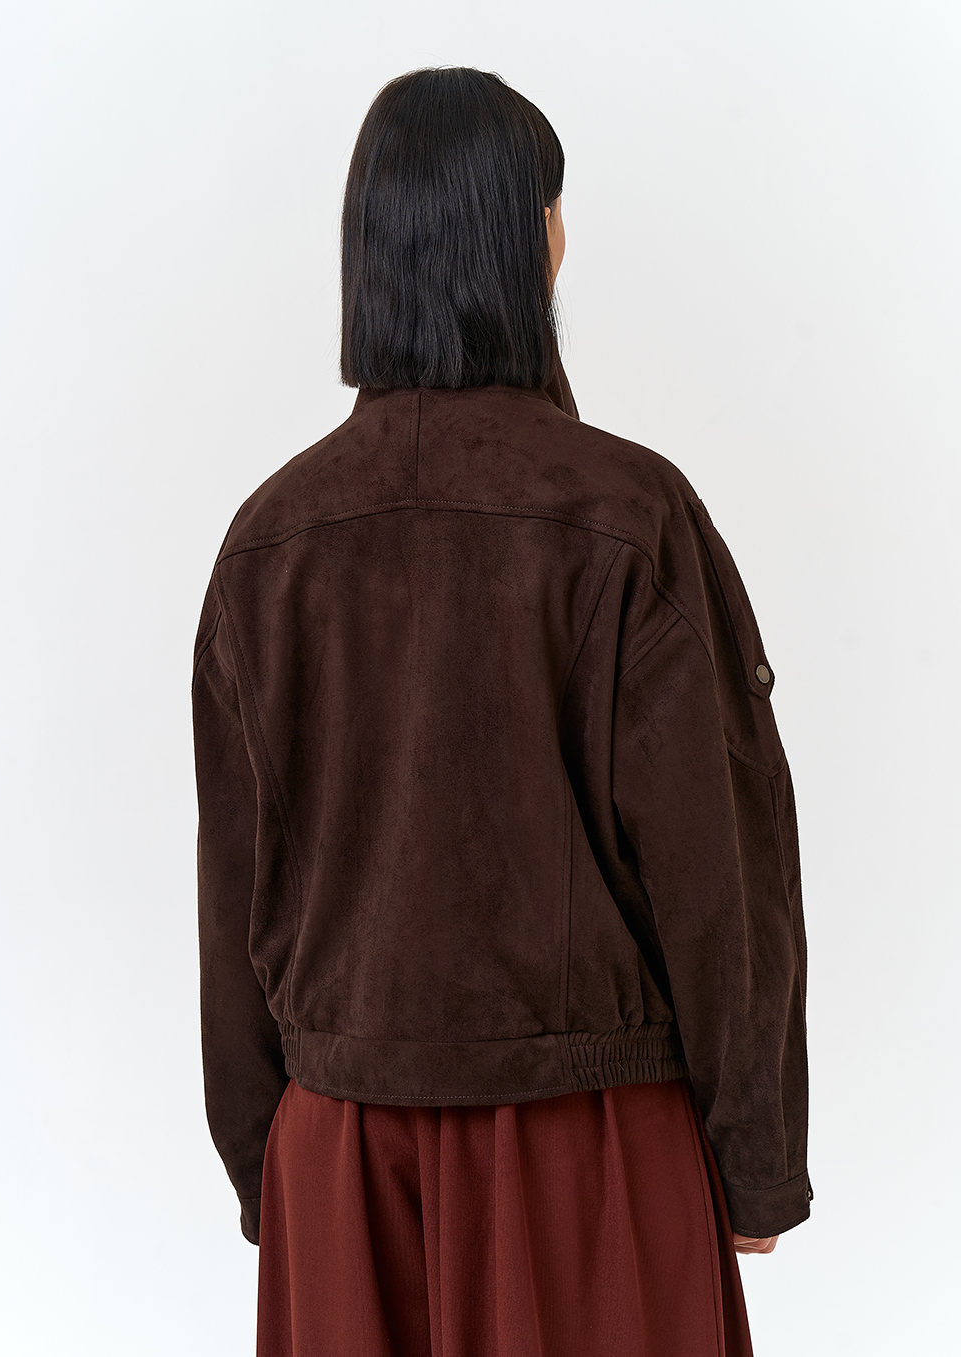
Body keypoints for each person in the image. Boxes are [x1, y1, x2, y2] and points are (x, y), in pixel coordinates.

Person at [191, 65, 811, 1356]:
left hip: (344, 1157)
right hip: (590, 1154)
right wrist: (754, 1157)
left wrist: (271, 1162)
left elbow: (236, 883)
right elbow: (721, 870)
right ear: (533, 241)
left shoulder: (268, 544)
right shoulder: (629, 517)